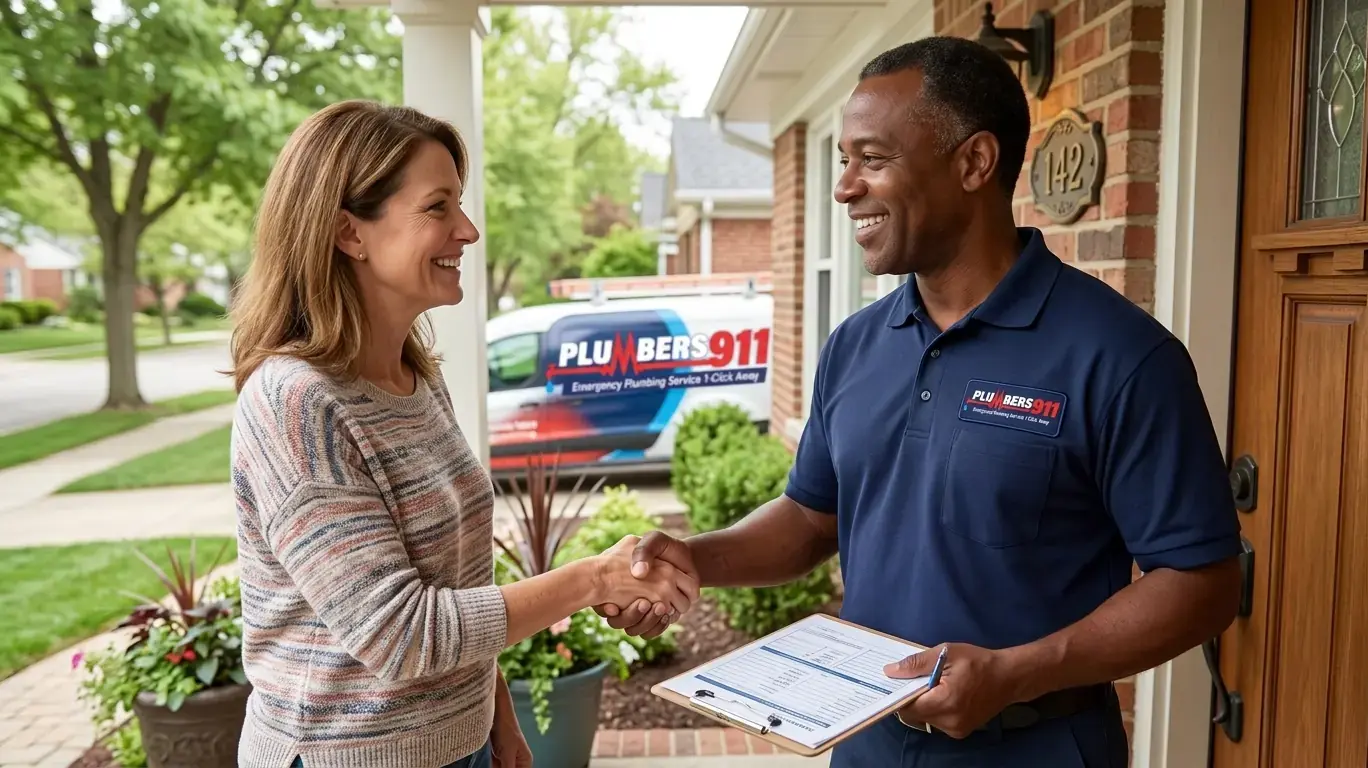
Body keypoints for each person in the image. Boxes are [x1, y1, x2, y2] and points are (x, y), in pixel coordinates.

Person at [599, 37, 1243, 768]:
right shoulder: (855, 345)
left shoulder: (1122, 356)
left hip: (1037, 748)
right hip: (863, 740)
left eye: (872, 160)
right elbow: (813, 518)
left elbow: (1202, 582)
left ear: (974, 163)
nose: (845, 188)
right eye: (844, 161)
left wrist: (1015, 672)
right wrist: (693, 556)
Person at [228, 100, 698, 768]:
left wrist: (495, 716)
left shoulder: (413, 376)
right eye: (437, 207)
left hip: (460, 744)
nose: (468, 230)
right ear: (348, 233)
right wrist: (596, 579)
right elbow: (400, 636)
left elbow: (455, 580)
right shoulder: (295, 403)